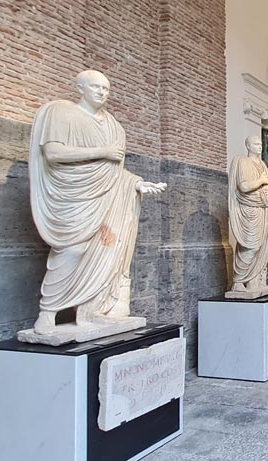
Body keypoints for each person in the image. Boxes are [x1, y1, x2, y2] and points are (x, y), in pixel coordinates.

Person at [29, 70, 166, 334]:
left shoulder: (113, 125)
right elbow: (53, 152)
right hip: (74, 195)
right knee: (72, 250)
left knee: (106, 252)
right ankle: (48, 310)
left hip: (108, 197)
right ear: (80, 88)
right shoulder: (62, 113)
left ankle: (91, 311)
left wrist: (135, 183)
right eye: (96, 87)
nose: (102, 93)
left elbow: (112, 171)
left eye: (106, 88)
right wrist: (101, 151)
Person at [228, 136, 268, 294]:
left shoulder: (263, 165)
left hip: (262, 209)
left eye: (260, 144)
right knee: (250, 246)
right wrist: (260, 180)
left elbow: (264, 192)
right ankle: (238, 281)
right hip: (249, 210)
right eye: (256, 144)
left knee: (261, 247)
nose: (259, 147)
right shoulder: (242, 161)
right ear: (248, 145)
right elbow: (244, 186)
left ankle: (254, 282)